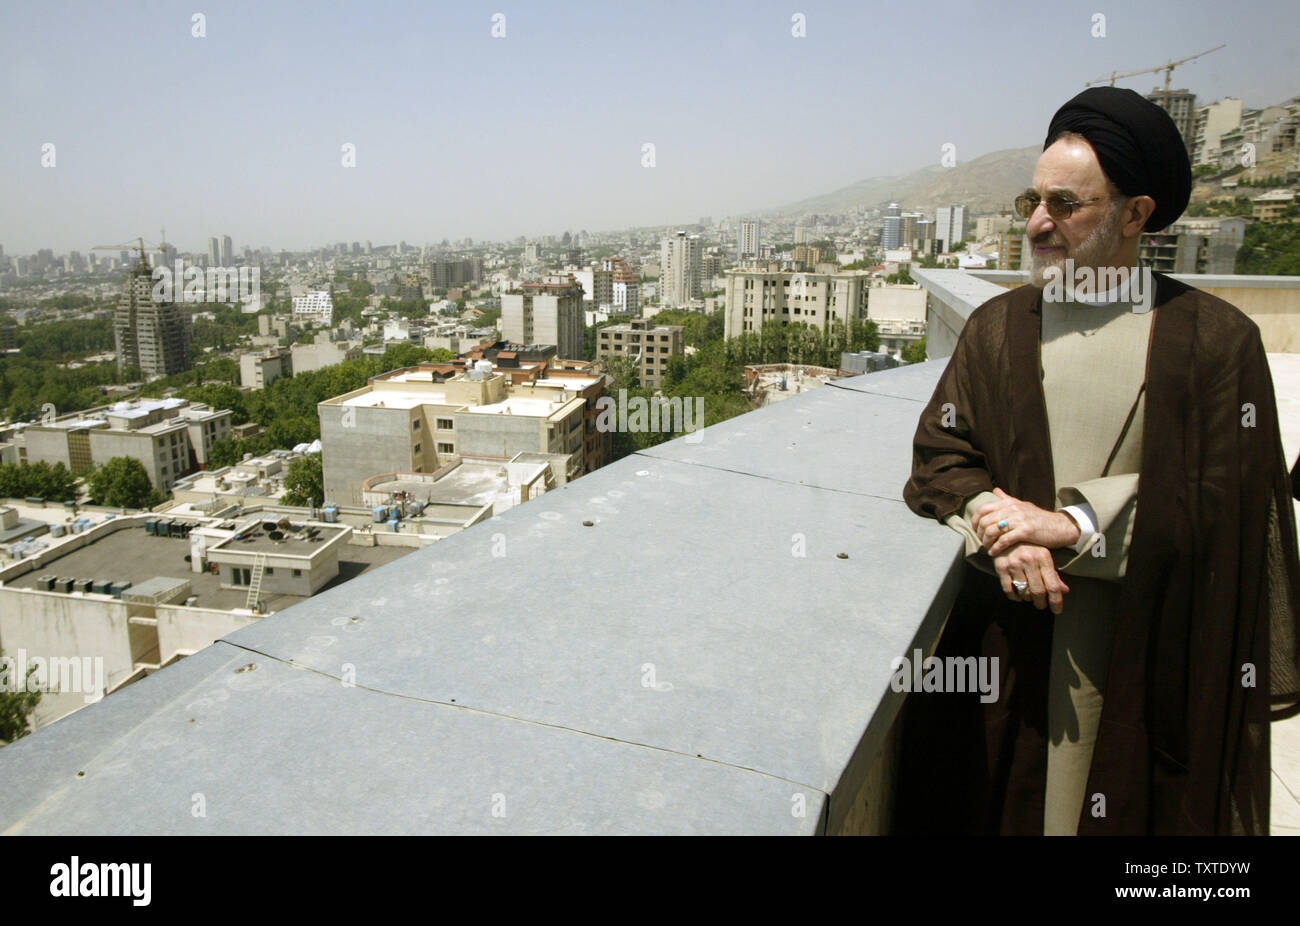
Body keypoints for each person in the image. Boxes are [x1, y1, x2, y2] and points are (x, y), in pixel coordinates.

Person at [895, 86, 1300, 835]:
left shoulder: (1215, 341)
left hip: (1146, 652)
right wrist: (993, 517)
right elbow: (942, 455)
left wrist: (1076, 523)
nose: (1038, 224)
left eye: (1065, 204)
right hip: (1009, 650)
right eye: (1030, 201)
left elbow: (1233, 500)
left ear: (1136, 214)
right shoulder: (995, 329)